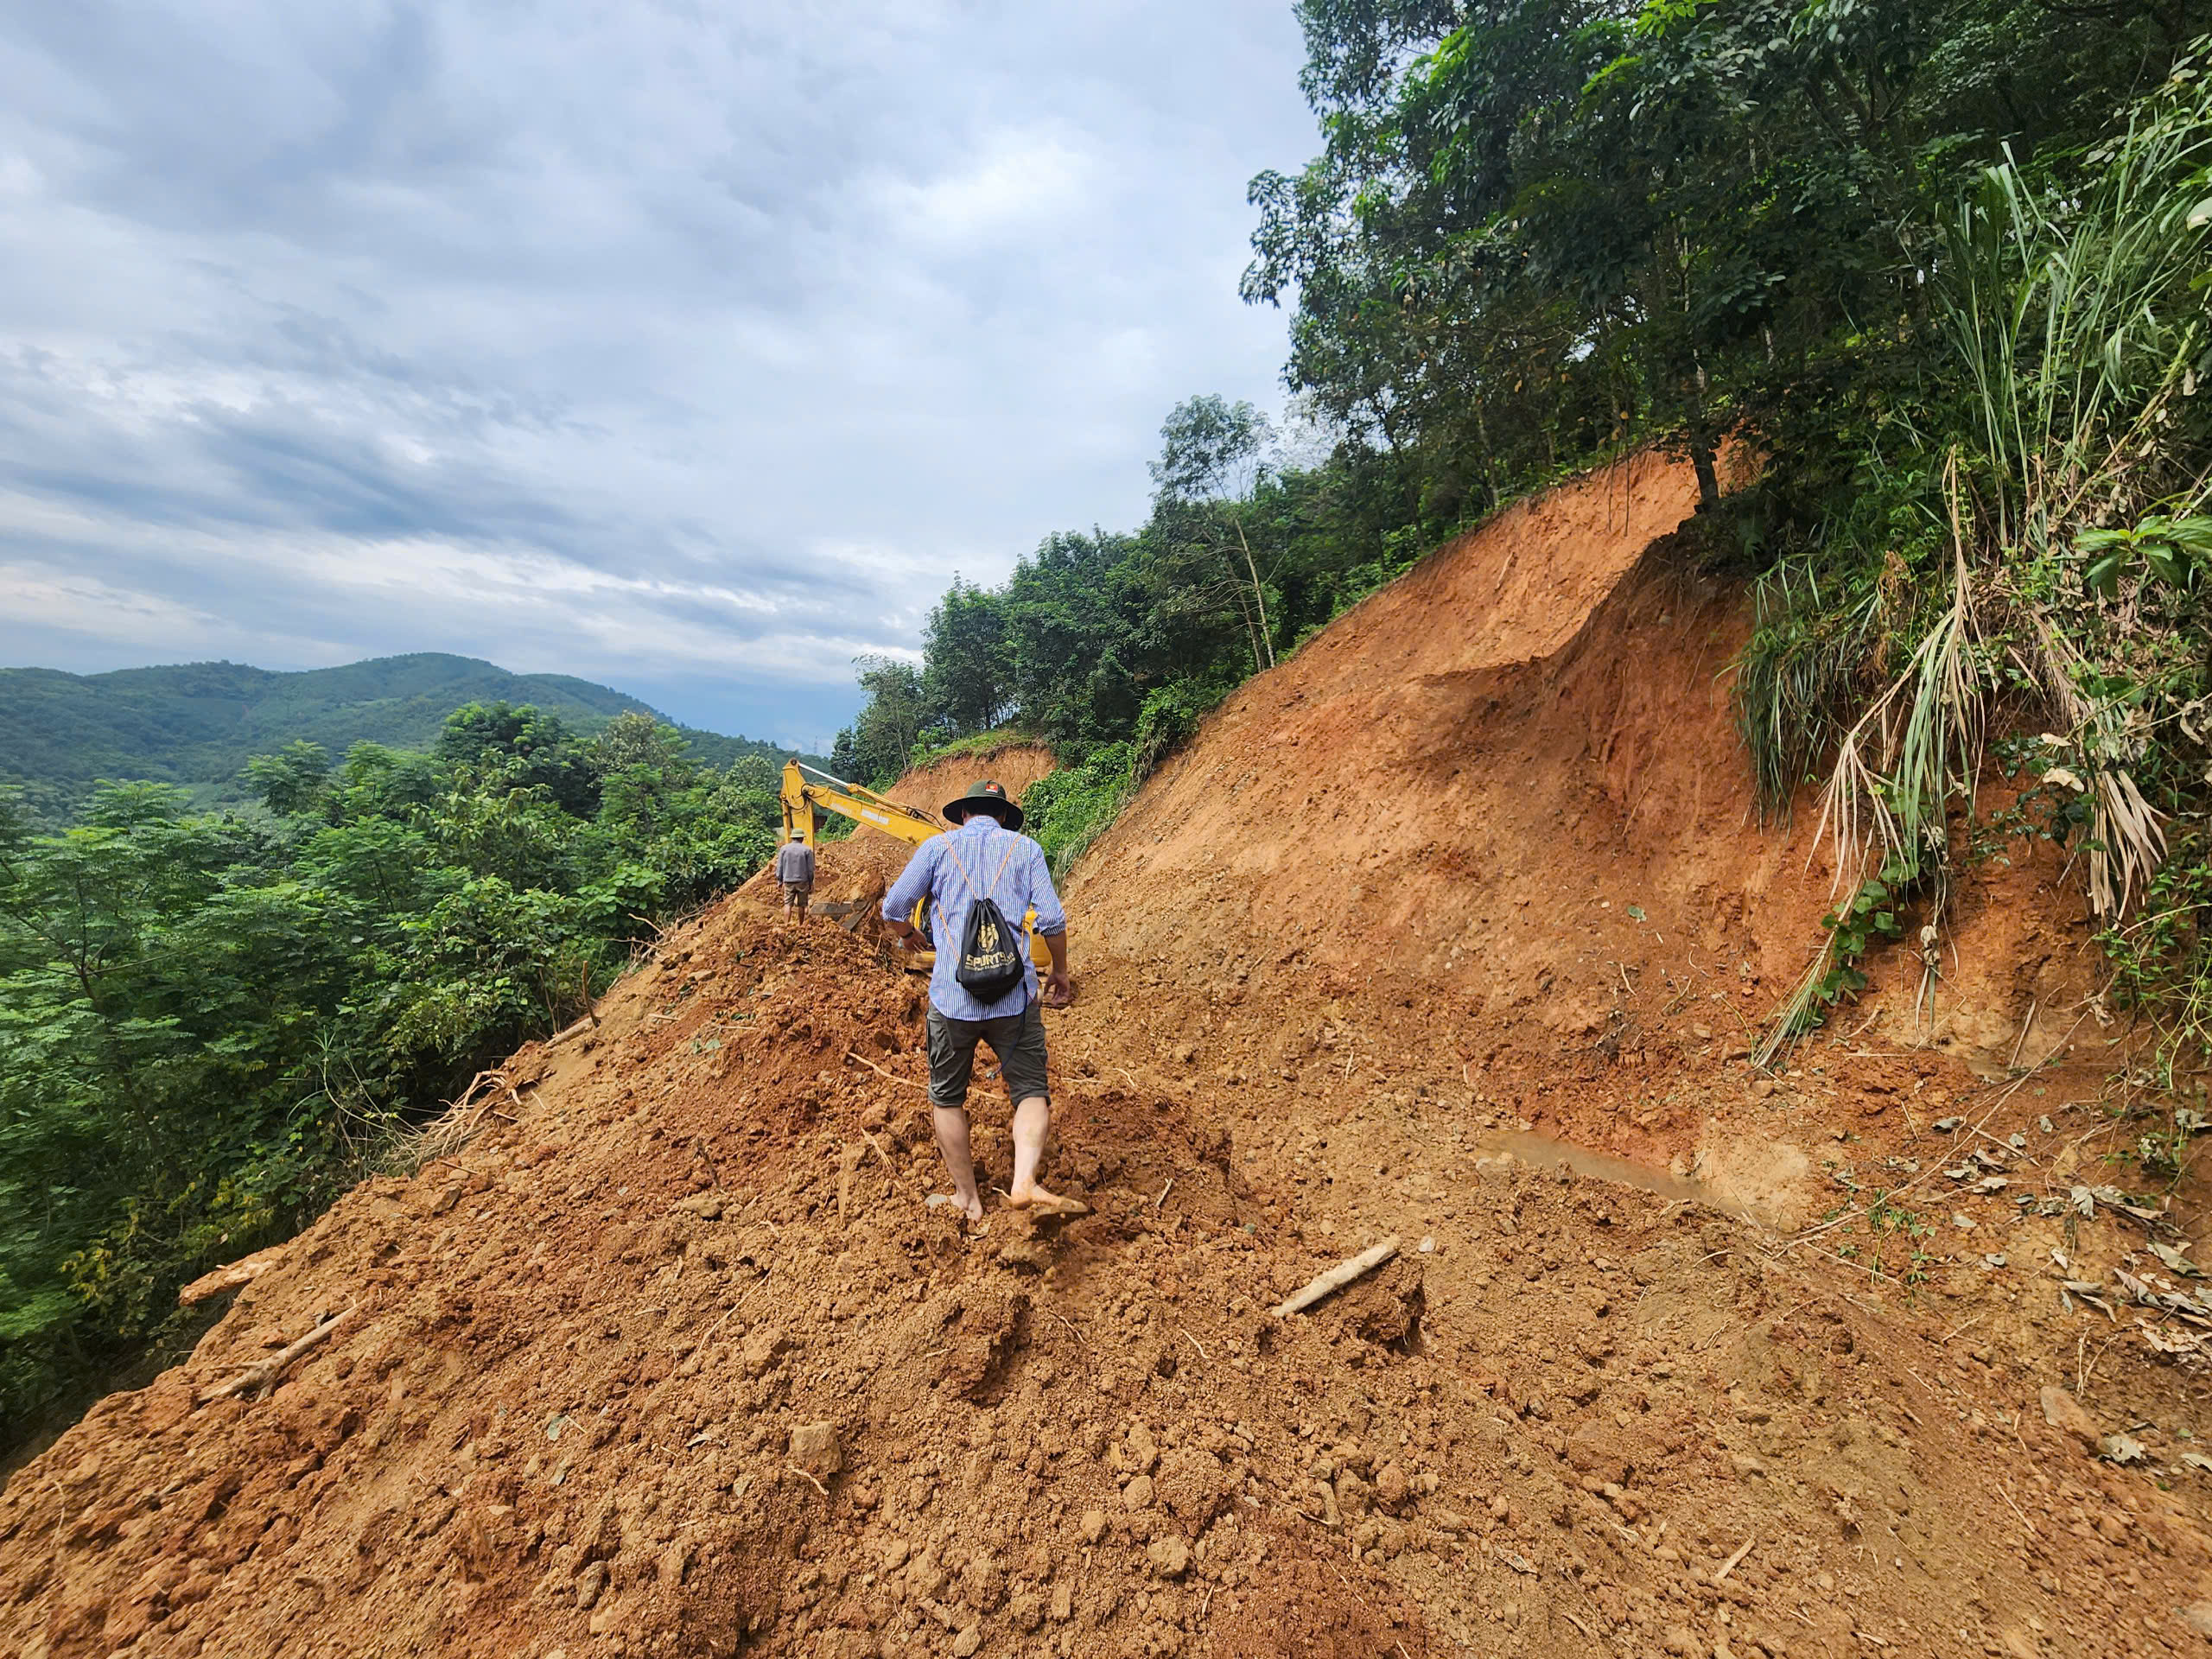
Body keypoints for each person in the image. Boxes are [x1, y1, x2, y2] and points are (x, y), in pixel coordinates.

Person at [881, 780, 1080, 1222]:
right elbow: (1052, 918)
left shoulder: (937, 849)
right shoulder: (1026, 849)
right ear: (1004, 816)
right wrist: (1060, 973)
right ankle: (1024, 1181)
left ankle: (967, 1199)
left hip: (953, 1002)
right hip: (1015, 1000)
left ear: (965, 814)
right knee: (1030, 1091)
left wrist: (910, 935)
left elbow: (893, 906)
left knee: (948, 1098)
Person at [775, 827, 816, 924]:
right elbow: (810, 869)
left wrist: (779, 881)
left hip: (788, 881)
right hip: (803, 881)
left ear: (792, 838)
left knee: (788, 904)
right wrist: (811, 882)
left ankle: (786, 925)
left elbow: (780, 866)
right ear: (802, 838)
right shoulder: (807, 850)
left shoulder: (784, 849)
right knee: (801, 905)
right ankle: (800, 925)